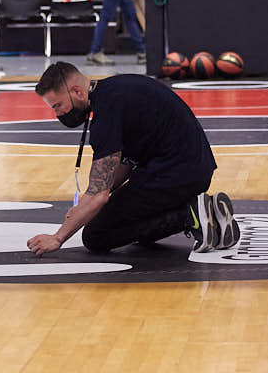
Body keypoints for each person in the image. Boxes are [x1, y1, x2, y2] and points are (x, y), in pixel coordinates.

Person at [25, 63, 232, 256]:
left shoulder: (105, 115)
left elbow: (100, 195)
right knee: (111, 217)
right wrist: (84, 206)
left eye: (58, 105)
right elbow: (121, 166)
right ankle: (202, 211)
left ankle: (189, 215)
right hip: (194, 169)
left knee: (95, 235)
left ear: (77, 91)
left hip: (174, 174)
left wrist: (58, 237)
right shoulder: (117, 89)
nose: (58, 114)